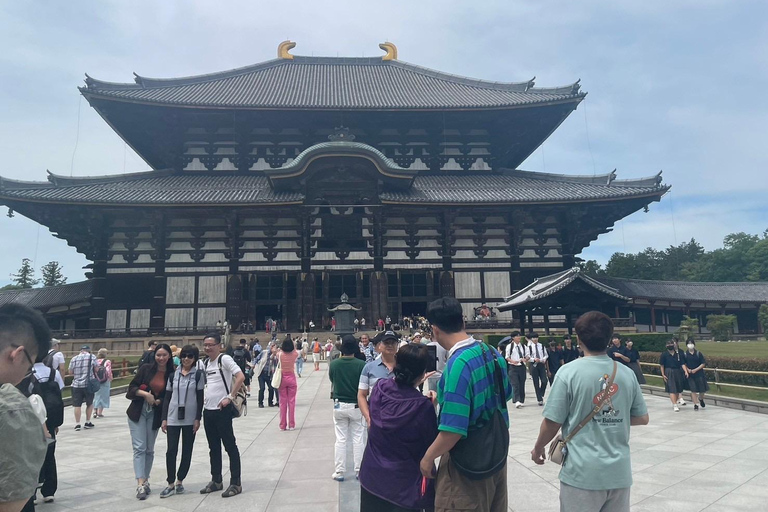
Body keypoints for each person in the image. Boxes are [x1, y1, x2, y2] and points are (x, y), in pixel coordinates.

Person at [531, 311, 650, 512]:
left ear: (579, 339)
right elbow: (642, 417)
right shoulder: (626, 374)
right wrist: (614, 416)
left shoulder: (568, 372)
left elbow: (553, 421)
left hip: (581, 473)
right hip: (618, 473)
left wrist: (538, 447)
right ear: (610, 338)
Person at [419, 298, 512, 512]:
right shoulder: (491, 352)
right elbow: (505, 394)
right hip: (496, 456)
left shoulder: (458, 365)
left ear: (434, 329)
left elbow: (453, 431)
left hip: (467, 465)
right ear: (462, 320)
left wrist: (427, 458)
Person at [359, 343, 438, 511]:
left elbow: (395, 398)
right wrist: (432, 403)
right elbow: (432, 443)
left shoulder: (380, 388)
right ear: (423, 372)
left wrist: (412, 384)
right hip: (404, 487)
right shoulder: (422, 407)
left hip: (372, 477)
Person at [0, 304, 52, 512]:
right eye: (30, 366)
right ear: (18, 354)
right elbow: (10, 505)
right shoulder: (11, 411)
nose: (26, 373)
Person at [126, 343, 173, 500]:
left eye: (164, 355)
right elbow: (131, 388)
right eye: (158, 355)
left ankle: (146, 480)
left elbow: (169, 395)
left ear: (169, 356)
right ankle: (140, 483)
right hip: (138, 412)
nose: (161, 358)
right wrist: (145, 394)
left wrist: (158, 401)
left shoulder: (171, 373)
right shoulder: (146, 368)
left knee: (149, 449)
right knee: (139, 447)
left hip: (154, 413)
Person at [200, 333, 245, 497]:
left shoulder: (224, 359)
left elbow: (240, 376)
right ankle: (216, 480)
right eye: (205, 344)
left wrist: (230, 396)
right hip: (208, 410)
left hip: (222, 410)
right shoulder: (205, 362)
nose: (207, 347)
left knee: (230, 446)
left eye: (211, 344)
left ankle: (236, 483)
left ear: (219, 345)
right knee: (213, 447)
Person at [160, 345, 205, 498]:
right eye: (184, 355)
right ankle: (170, 482)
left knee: (187, 450)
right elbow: (167, 397)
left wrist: (198, 418)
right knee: (171, 450)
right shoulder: (173, 375)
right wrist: (164, 418)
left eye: (190, 356)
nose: (186, 359)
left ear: (195, 359)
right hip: (173, 416)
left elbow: (200, 398)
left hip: (190, 418)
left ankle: (180, 480)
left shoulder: (198, 375)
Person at [329, 335, 367, 481]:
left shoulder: (334, 364)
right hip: (356, 405)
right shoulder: (361, 365)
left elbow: (332, 379)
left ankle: (339, 471)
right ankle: (359, 470)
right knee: (358, 438)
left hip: (339, 404)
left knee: (340, 439)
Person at [358, 331, 398, 427]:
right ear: (380, 345)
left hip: (399, 419)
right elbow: (361, 395)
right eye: (386, 343)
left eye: (393, 343)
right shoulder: (369, 368)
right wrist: (368, 418)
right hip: (377, 419)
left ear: (397, 346)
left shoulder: (404, 367)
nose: (390, 345)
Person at [68, 345, 98, 430]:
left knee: (77, 405)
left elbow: (70, 372)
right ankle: (87, 422)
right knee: (89, 403)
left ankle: (77, 423)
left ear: (81, 350)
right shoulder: (92, 357)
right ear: (88, 350)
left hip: (76, 384)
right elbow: (96, 369)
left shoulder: (74, 358)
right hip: (88, 384)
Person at [277, 335, 299, 431]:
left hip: (282, 378)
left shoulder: (280, 354)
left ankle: (282, 425)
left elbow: (277, 352)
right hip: (291, 378)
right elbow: (295, 351)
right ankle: (291, 424)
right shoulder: (294, 354)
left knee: (282, 402)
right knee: (292, 402)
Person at [660, 340, 689, 412]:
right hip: (669, 371)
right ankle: (675, 404)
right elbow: (662, 365)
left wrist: (686, 371)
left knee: (677, 389)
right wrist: (663, 374)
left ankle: (675, 401)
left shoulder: (678, 354)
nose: (670, 345)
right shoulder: (664, 354)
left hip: (677, 371)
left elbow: (682, 363)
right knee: (671, 388)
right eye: (668, 344)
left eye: (671, 344)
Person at [683, 340, 708, 410]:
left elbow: (703, 363)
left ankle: (701, 398)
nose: (690, 345)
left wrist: (696, 369)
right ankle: (695, 404)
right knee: (693, 390)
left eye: (691, 343)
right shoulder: (685, 354)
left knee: (702, 390)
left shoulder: (698, 353)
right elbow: (683, 364)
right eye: (688, 343)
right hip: (690, 375)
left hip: (699, 374)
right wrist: (688, 370)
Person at [505, 332, 527, 408]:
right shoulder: (509, 346)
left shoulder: (523, 346)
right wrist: (512, 361)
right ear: (513, 338)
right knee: (515, 384)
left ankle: (521, 399)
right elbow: (507, 357)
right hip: (513, 367)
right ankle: (516, 400)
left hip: (521, 366)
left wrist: (525, 359)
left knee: (522, 383)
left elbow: (527, 356)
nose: (519, 337)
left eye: (519, 336)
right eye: (517, 336)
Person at [526, 333, 549, 405]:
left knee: (544, 380)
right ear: (531, 339)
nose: (535, 339)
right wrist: (534, 359)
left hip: (541, 364)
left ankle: (541, 393)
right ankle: (539, 399)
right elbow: (527, 357)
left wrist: (543, 359)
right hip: (533, 365)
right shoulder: (529, 347)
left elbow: (546, 355)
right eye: (533, 338)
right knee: (536, 382)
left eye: (536, 338)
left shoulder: (541, 346)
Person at [93, 348, 113, 418]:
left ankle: (95, 411)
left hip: (95, 380)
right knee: (103, 395)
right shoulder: (107, 361)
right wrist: (110, 378)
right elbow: (108, 370)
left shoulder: (95, 361)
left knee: (96, 395)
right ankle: (99, 412)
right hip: (104, 380)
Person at [255, 343, 276, 408]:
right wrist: (253, 364)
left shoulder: (275, 356)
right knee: (262, 388)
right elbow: (257, 358)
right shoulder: (264, 352)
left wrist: (274, 355)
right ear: (271, 347)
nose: (275, 349)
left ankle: (270, 402)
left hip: (270, 374)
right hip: (262, 373)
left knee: (271, 388)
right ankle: (260, 403)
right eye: (273, 347)